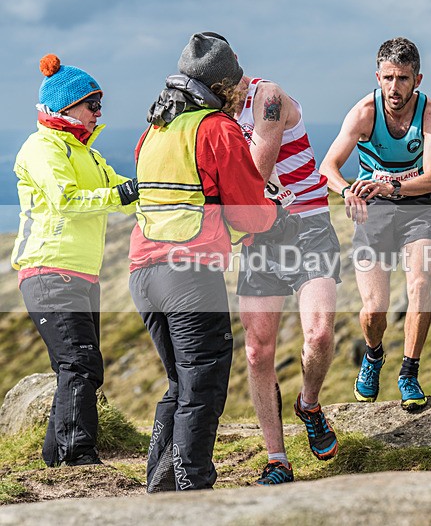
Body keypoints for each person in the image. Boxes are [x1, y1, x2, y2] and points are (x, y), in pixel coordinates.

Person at [128, 33, 283, 492]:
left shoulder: (154, 130)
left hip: (142, 274)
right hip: (189, 276)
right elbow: (249, 214)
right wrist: (273, 209)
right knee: (204, 386)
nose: (243, 92)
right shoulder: (216, 128)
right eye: (237, 84)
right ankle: (191, 488)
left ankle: (160, 485)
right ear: (221, 85)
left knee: (180, 384)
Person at [11, 55, 139, 467]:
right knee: (80, 363)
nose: (99, 111)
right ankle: (77, 457)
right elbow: (65, 201)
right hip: (49, 270)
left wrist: (159, 191)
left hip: (82, 276)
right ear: (65, 108)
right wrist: (122, 195)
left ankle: (57, 457)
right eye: (92, 103)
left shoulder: (88, 154)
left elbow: (123, 193)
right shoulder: (42, 147)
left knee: (78, 366)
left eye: (100, 103)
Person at [230, 39, 341, 485]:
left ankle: (309, 404)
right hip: (261, 235)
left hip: (307, 225)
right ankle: (278, 459)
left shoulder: (267, 97)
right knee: (258, 352)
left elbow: (255, 172)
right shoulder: (210, 115)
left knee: (319, 333)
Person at [319, 37, 431, 412]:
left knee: (419, 284)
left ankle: (409, 372)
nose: (394, 88)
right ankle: (373, 356)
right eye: (388, 77)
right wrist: (348, 193)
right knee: (374, 309)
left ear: (417, 79)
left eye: (403, 78)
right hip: (372, 210)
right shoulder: (363, 112)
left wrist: (390, 185)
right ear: (378, 77)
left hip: (416, 205)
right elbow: (328, 168)